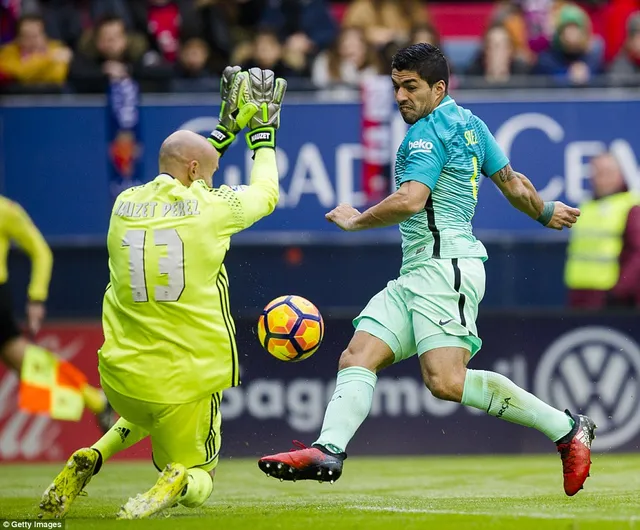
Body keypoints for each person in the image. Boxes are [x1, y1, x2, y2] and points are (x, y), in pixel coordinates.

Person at [258, 43, 596, 498]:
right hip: (419, 271)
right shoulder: (472, 124)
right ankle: (328, 449)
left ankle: (567, 428)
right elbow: (514, 184)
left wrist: (357, 220)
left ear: (438, 88)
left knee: (446, 381)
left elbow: (410, 200)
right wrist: (545, 211)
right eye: (396, 86)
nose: (400, 96)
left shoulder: (425, 134)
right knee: (358, 355)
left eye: (410, 87)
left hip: (445, 267)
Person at [38, 66, 285, 520]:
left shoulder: (123, 205)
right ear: (195, 171)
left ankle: (90, 455)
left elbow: (187, 172)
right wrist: (262, 136)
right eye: (209, 173)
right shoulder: (211, 209)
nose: (213, 182)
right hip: (185, 379)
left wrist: (222, 132)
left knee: (147, 413)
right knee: (201, 473)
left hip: (119, 378)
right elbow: (266, 193)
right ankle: (178, 478)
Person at [0, 196, 113, 432]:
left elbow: (41, 252)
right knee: (21, 361)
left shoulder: (5, 210)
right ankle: (95, 399)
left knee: (23, 361)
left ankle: (95, 399)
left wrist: (36, 297)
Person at [565, 152, 640, 308]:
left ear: (619, 174)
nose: (601, 178)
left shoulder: (630, 207)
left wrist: (620, 291)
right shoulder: (586, 206)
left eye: (607, 173)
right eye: (597, 172)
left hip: (611, 297)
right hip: (579, 294)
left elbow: (637, 255)